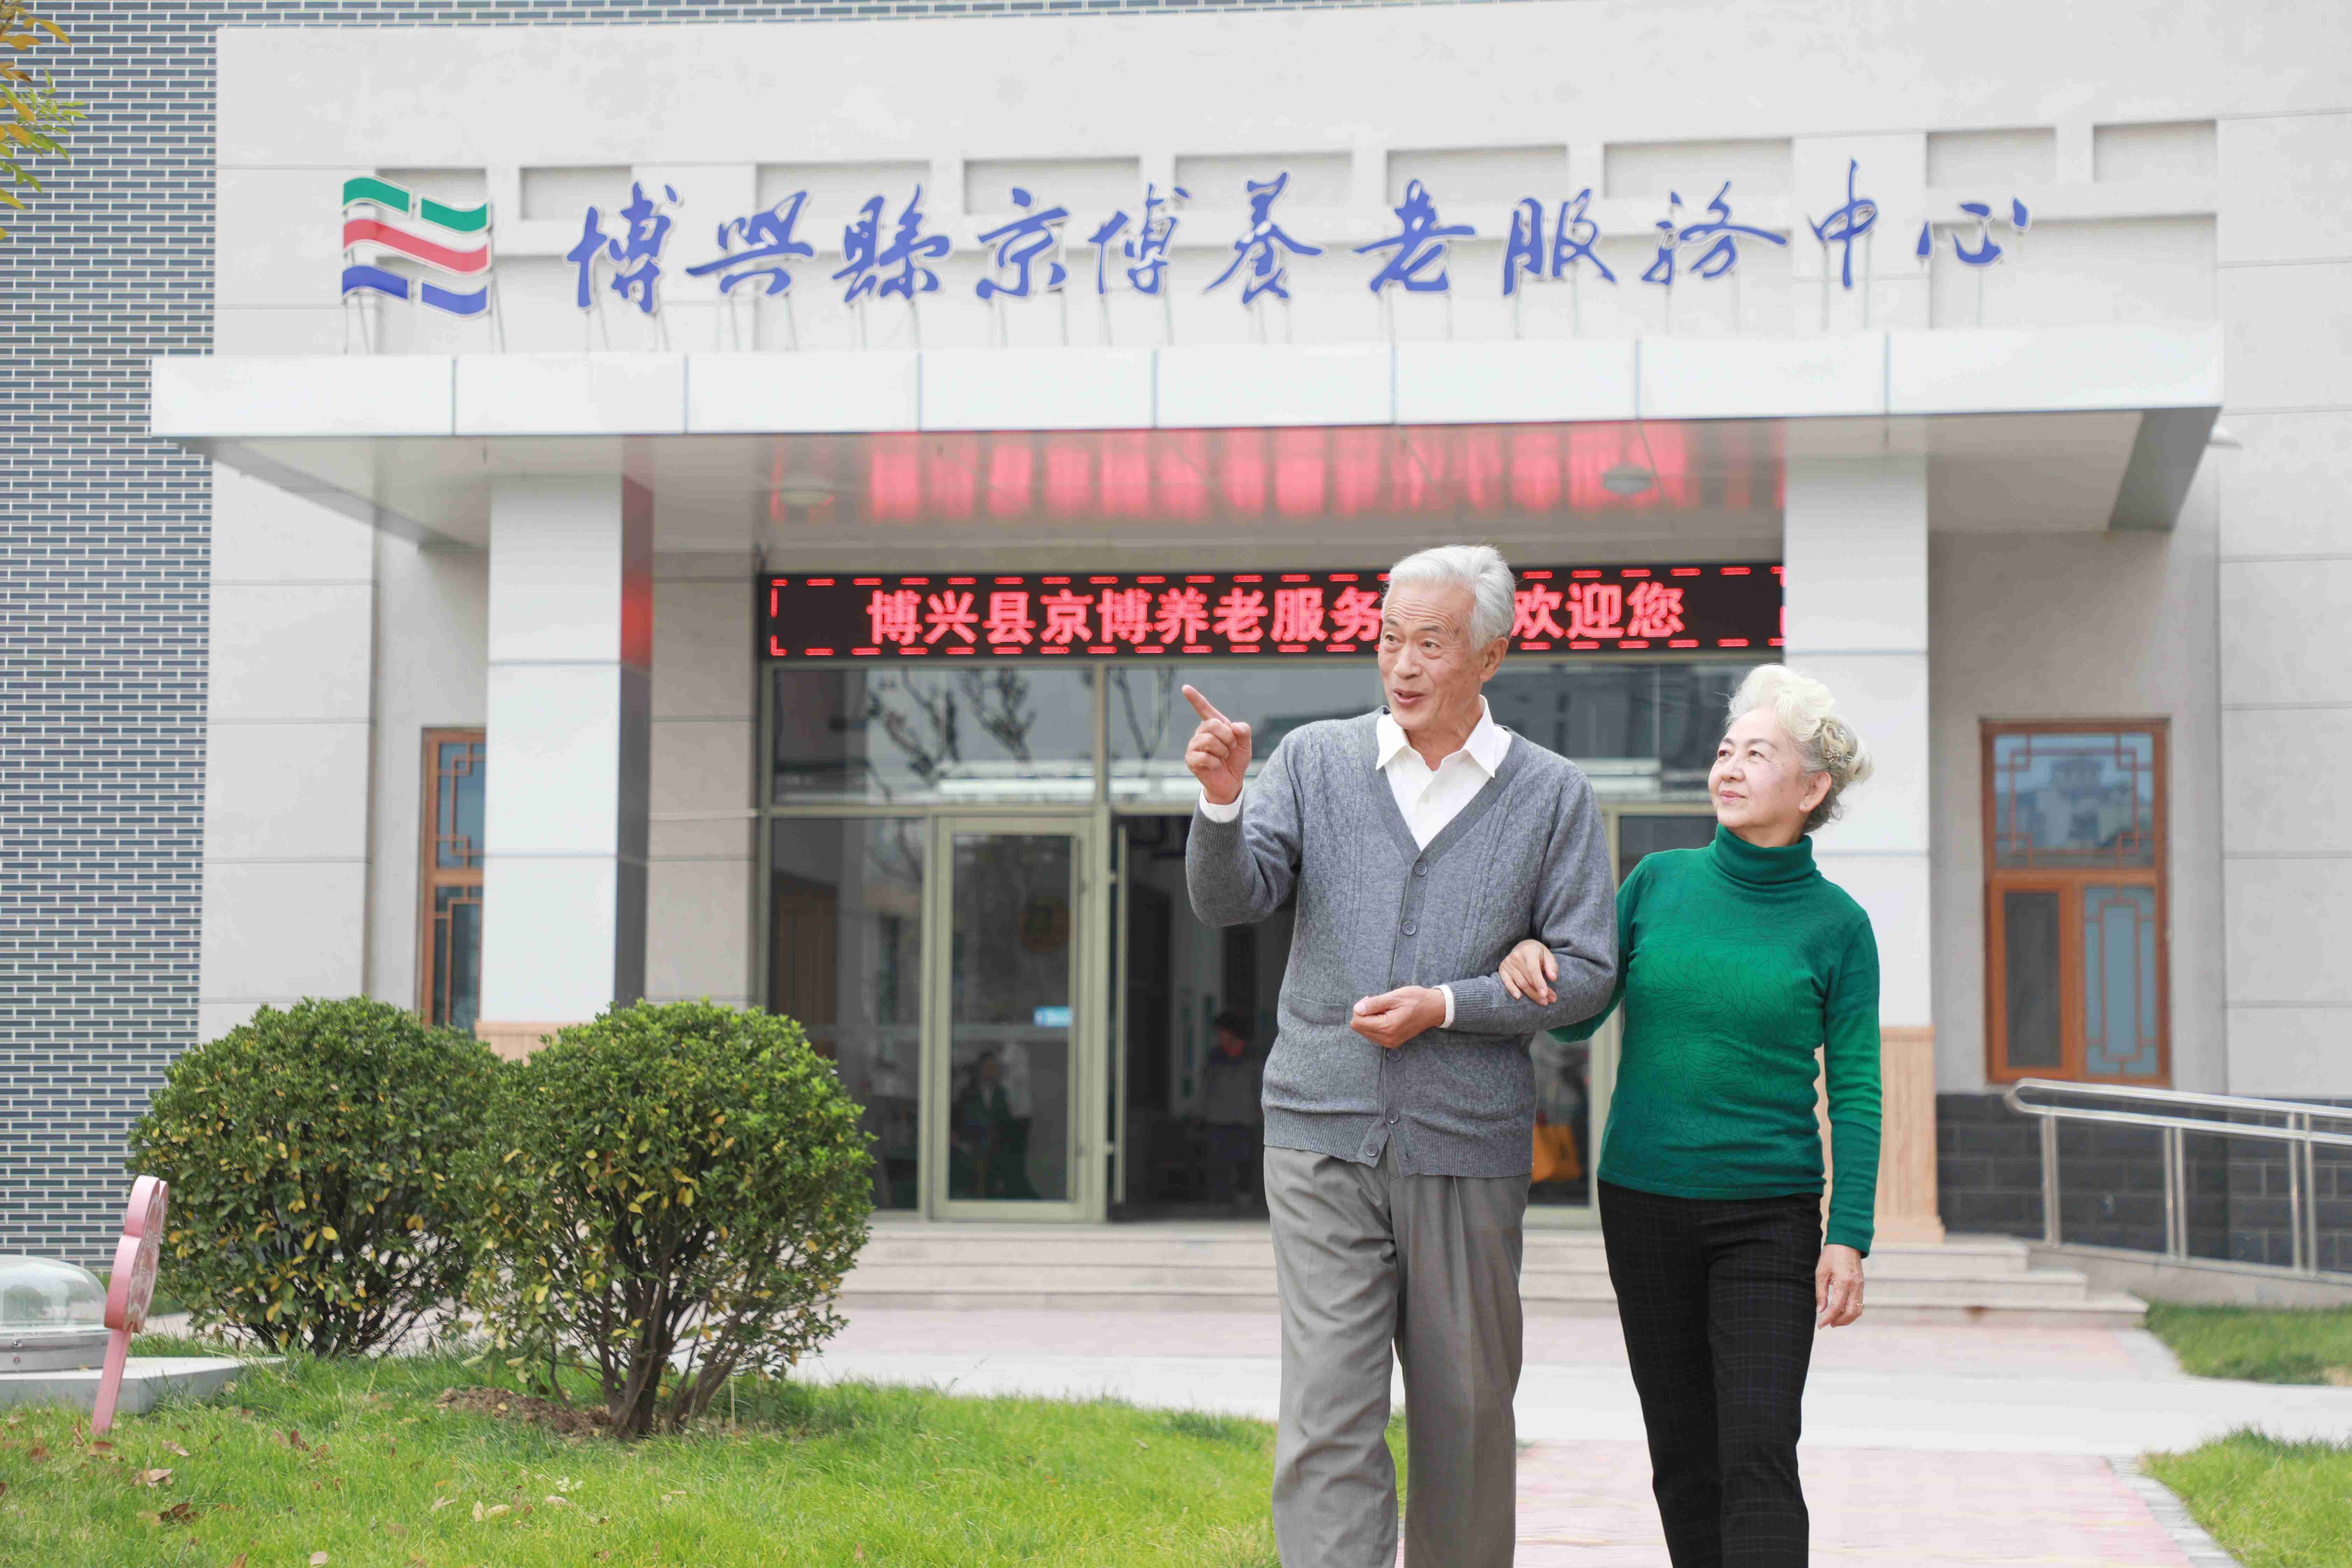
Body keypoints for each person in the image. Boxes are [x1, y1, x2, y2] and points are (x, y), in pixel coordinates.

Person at [1184, 544, 1616, 1568]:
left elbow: (1589, 971)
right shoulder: (1313, 761)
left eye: (1430, 642)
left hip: (1467, 1143)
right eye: (1388, 639)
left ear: (1490, 655)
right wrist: (1222, 805)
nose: (1403, 663)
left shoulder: (1551, 794)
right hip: (1319, 1130)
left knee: (1466, 1413)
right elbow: (1230, 899)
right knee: (1326, 1409)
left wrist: (1450, 1005)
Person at [1501, 664, 1882, 1568]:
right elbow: (1581, 1015)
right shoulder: (1656, 883)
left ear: (1812, 788)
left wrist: (1849, 1235)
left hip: (1769, 1214)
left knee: (1759, 1448)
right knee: (1683, 1453)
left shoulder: (1839, 925)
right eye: (1724, 750)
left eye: (1758, 754)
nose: (1730, 767)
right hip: (1644, 1200)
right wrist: (1531, 957)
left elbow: (1859, 1088)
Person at [1198, 1011, 1266, 1212]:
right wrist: (1201, 1114)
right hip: (1217, 1120)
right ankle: (1221, 1202)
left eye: (1223, 1032)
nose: (1219, 1036)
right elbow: (1206, 1089)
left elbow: (1260, 1088)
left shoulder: (1254, 1057)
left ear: (1233, 1033)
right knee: (1218, 1163)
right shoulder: (1215, 1058)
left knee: (1246, 1161)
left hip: (1247, 1120)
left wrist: (1263, 1115)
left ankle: (1244, 1201)